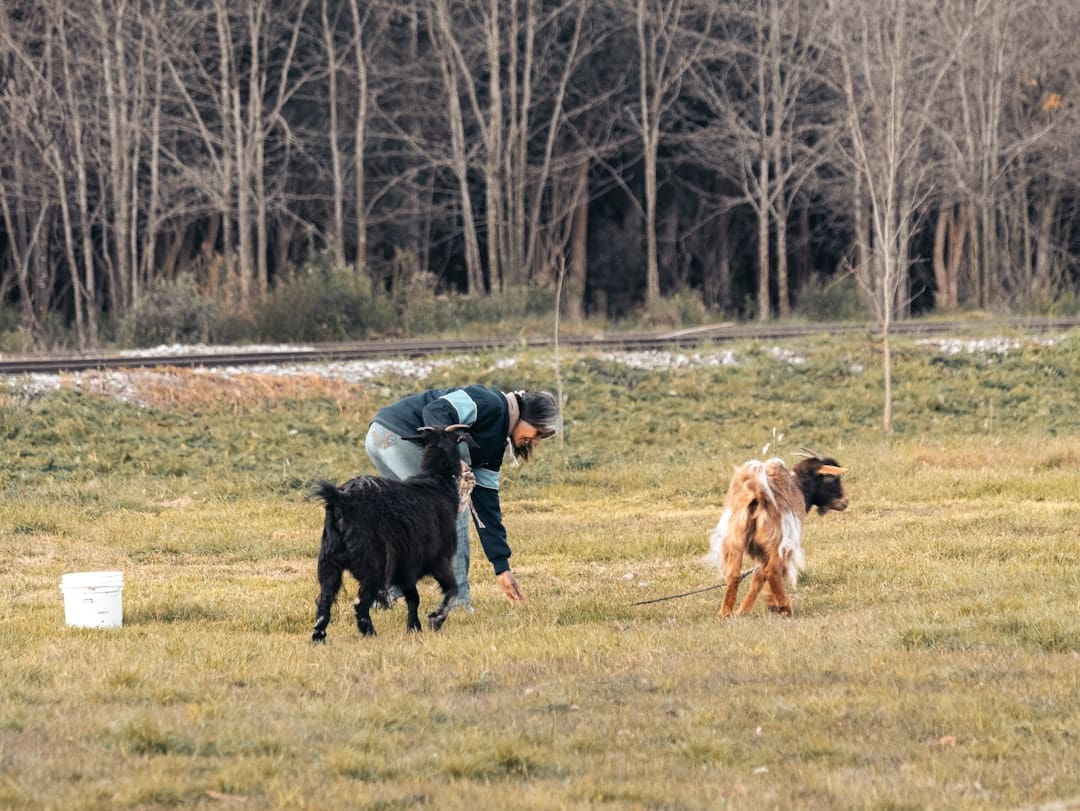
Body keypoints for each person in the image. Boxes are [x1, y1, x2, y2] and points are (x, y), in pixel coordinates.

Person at [364, 386, 561, 610]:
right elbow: (436, 410)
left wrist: (502, 567)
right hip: (398, 437)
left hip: (380, 437)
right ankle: (458, 603)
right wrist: (452, 455)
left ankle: (382, 593)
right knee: (454, 511)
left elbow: (487, 509)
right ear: (526, 417)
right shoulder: (490, 403)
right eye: (537, 433)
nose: (535, 442)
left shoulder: (493, 447)